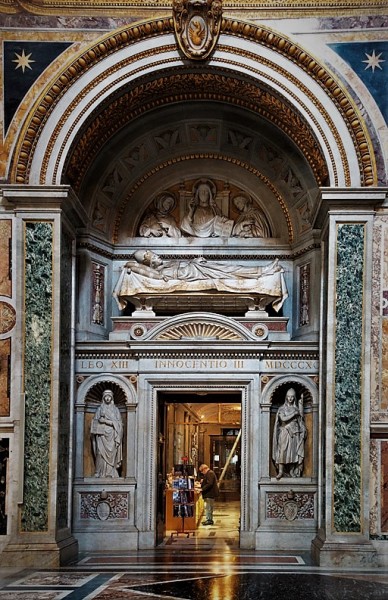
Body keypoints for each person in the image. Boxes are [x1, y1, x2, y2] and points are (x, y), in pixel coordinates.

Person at [272, 388, 307, 480]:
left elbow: (300, 421)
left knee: (293, 452)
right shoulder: (282, 408)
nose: (290, 399)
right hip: (285, 432)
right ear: (286, 397)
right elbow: (283, 419)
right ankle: (280, 471)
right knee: (282, 451)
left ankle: (291, 471)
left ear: (294, 398)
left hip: (295, 433)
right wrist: (294, 414)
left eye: (292, 397)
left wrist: (302, 429)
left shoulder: (296, 408)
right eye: (288, 397)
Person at [91, 389, 123, 478]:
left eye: (109, 396)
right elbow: (95, 422)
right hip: (101, 435)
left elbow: (119, 424)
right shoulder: (100, 409)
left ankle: (110, 473)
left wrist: (105, 421)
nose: (107, 398)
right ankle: (98, 472)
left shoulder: (116, 410)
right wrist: (98, 424)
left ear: (111, 398)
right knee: (99, 453)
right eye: (106, 397)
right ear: (103, 398)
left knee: (112, 454)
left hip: (112, 435)